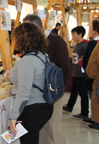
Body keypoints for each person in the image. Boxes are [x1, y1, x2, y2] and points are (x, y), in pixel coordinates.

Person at [22, 14, 70, 144]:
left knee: (54, 127)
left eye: (28, 29)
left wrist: (58, 92)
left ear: (38, 28)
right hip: (38, 96)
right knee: (42, 130)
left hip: (53, 93)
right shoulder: (34, 44)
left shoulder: (57, 41)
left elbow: (65, 68)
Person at [9, 23, 53, 144]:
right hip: (45, 106)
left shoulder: (28, 61)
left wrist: (13, 117)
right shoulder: (43, 55)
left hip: (32, 110)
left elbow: (24, 92)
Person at [63, 26, 89, 120]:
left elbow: (84, 59)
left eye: (74, 34)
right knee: (74, 90)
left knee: (83, 93)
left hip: (81, 74)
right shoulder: (77, 45)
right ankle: (70, 106)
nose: (72, 36)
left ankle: (84, 112)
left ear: (80, 34)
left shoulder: (85, 45)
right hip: (75, 72)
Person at [82, 20, 99, 125]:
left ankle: (95, 122)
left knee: (95, 101)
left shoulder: (94, 44)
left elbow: (91, 67)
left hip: (95, 80)